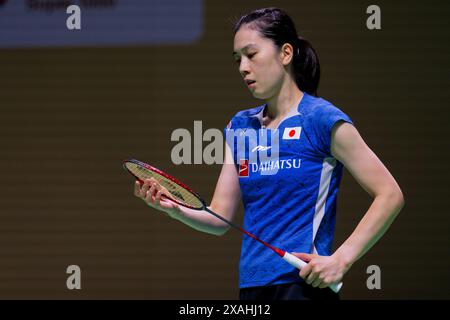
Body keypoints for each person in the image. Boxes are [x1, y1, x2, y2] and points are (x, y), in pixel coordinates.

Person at [133, 7, 404, 300]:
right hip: (252, 288)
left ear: (285, 54)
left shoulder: (321, 119)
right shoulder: (240, 126)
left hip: (304, 286)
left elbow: (390, 194)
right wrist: (173, 209)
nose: (243, 67)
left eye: (251, 54)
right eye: (238, 59)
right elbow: (220, 218)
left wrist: (342, 258)